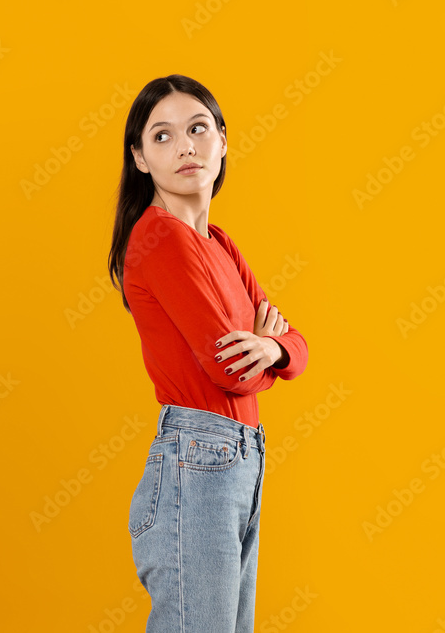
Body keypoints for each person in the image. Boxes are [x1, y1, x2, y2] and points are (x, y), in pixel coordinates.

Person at [108, 75, 309, 632]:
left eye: (198, 129)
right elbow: (228, 370)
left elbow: (297, 344)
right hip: (199, 459)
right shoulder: (159, 238)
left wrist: (270, 346)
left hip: (239, 459)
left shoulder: (219, 243)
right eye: (163, 136)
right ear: (141, 158)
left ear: (222, 140)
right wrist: (266, 354)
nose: (186, 147)